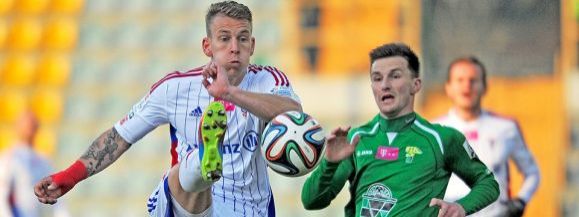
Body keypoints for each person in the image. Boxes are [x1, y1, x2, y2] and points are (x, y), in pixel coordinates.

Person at [34, 1, 302, 216]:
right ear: (207, 46)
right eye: (225, 38)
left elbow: (294, 114)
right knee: (187, 172)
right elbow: (119, 137)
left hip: (248, 209)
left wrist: (230, 93)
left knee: (189, 171)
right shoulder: (174, 88)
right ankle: (204, 160)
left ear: (252, 45)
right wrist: (68, 177)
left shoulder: (268, 80)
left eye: (243, 39)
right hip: (188, 204)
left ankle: (201, 161)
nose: (235, 48)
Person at [301, 43, 499, 217]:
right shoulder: (356, 139)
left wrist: (461, 207)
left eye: (395, 76)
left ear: (415, 85)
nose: (385, 85)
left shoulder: (442, 139)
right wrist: (329, 163)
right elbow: (311, 202)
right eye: (377, 78)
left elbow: (488, 184)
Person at [435, 56, 540, 217]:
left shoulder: (506, 128)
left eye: (473, 80)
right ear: (448, 87)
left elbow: (532, 172)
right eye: (460, 80)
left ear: (484, 86)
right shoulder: (433, 131)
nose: (466, 86)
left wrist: (521, 201)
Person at [0, 111, 70, 217]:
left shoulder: (43, 161)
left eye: (32, 124)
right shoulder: (9, 158)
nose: (29, 127)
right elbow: (2, 197)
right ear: (17, 126)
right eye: (26, 124)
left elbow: (57, 196)